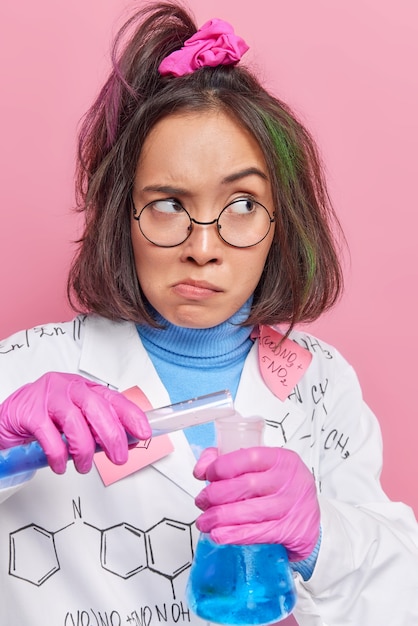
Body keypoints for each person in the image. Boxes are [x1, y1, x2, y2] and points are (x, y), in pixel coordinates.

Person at [0, 2, 417, 624]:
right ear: (125, 219)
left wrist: (325, 536)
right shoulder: (29, 365)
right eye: (168, 203)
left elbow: (400, 595)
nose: (202, 247)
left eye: (243, 204)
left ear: (284, 222)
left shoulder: (323, 384)